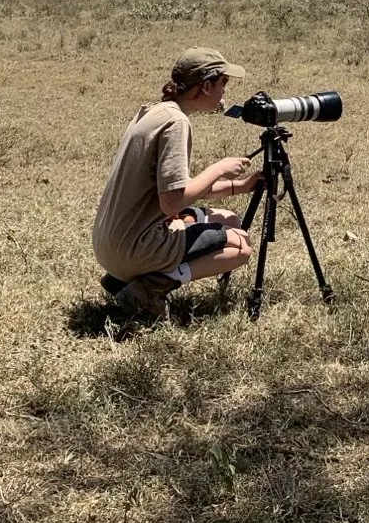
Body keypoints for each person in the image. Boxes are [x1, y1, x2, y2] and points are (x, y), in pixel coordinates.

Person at [92, 47, 260, 320]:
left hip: (109, 244)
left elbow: (175, 189)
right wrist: (218, 168)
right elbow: (173, 201)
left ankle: (125, 280)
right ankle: (147, 290)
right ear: (206, 86)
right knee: (241, 246)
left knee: (230, 220)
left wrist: (241, 185)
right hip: (133, 248)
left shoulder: (155, 111)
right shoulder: (176, 123)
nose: (225, 92)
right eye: (223, 83)